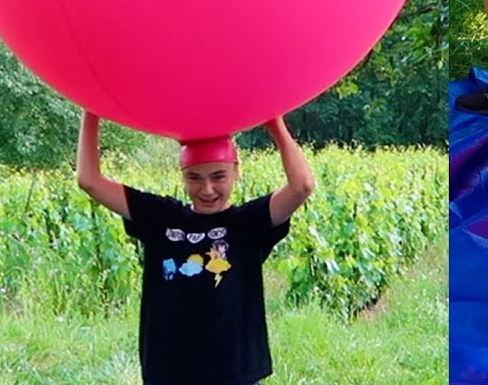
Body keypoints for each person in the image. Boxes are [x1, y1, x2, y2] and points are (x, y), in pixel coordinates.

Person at [76, 111, 316, 385]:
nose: (208, 189)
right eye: (194, 178)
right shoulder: (160, 216)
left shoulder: (249, 223)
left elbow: (302, 186)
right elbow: (89, 181)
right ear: (182, 176)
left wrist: (275, 125)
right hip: (168, 373)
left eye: (218, 176)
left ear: (236, 172)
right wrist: (91, 112)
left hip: (233, 375)